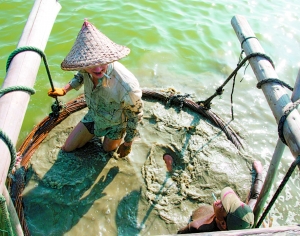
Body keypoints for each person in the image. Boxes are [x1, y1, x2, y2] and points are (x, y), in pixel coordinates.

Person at [48, 19, 143, 158]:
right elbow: (80, 75)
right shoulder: (85, 67)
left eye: (101, 62)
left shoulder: (126, 85)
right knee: (67, 149)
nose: (97, 68)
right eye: (91, 64)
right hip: (94, 115)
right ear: (84, 62)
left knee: (106, 151)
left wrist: (128, 143)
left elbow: (135, 115)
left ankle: (116, 139)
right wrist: (65, 89)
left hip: (116, 124)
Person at [177, 160, 263, 233]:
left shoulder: (196, 227)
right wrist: (259, 173)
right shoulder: (246, 218)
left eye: (223, 206)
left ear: (223, 224)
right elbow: (255, 196)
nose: (221, 200)